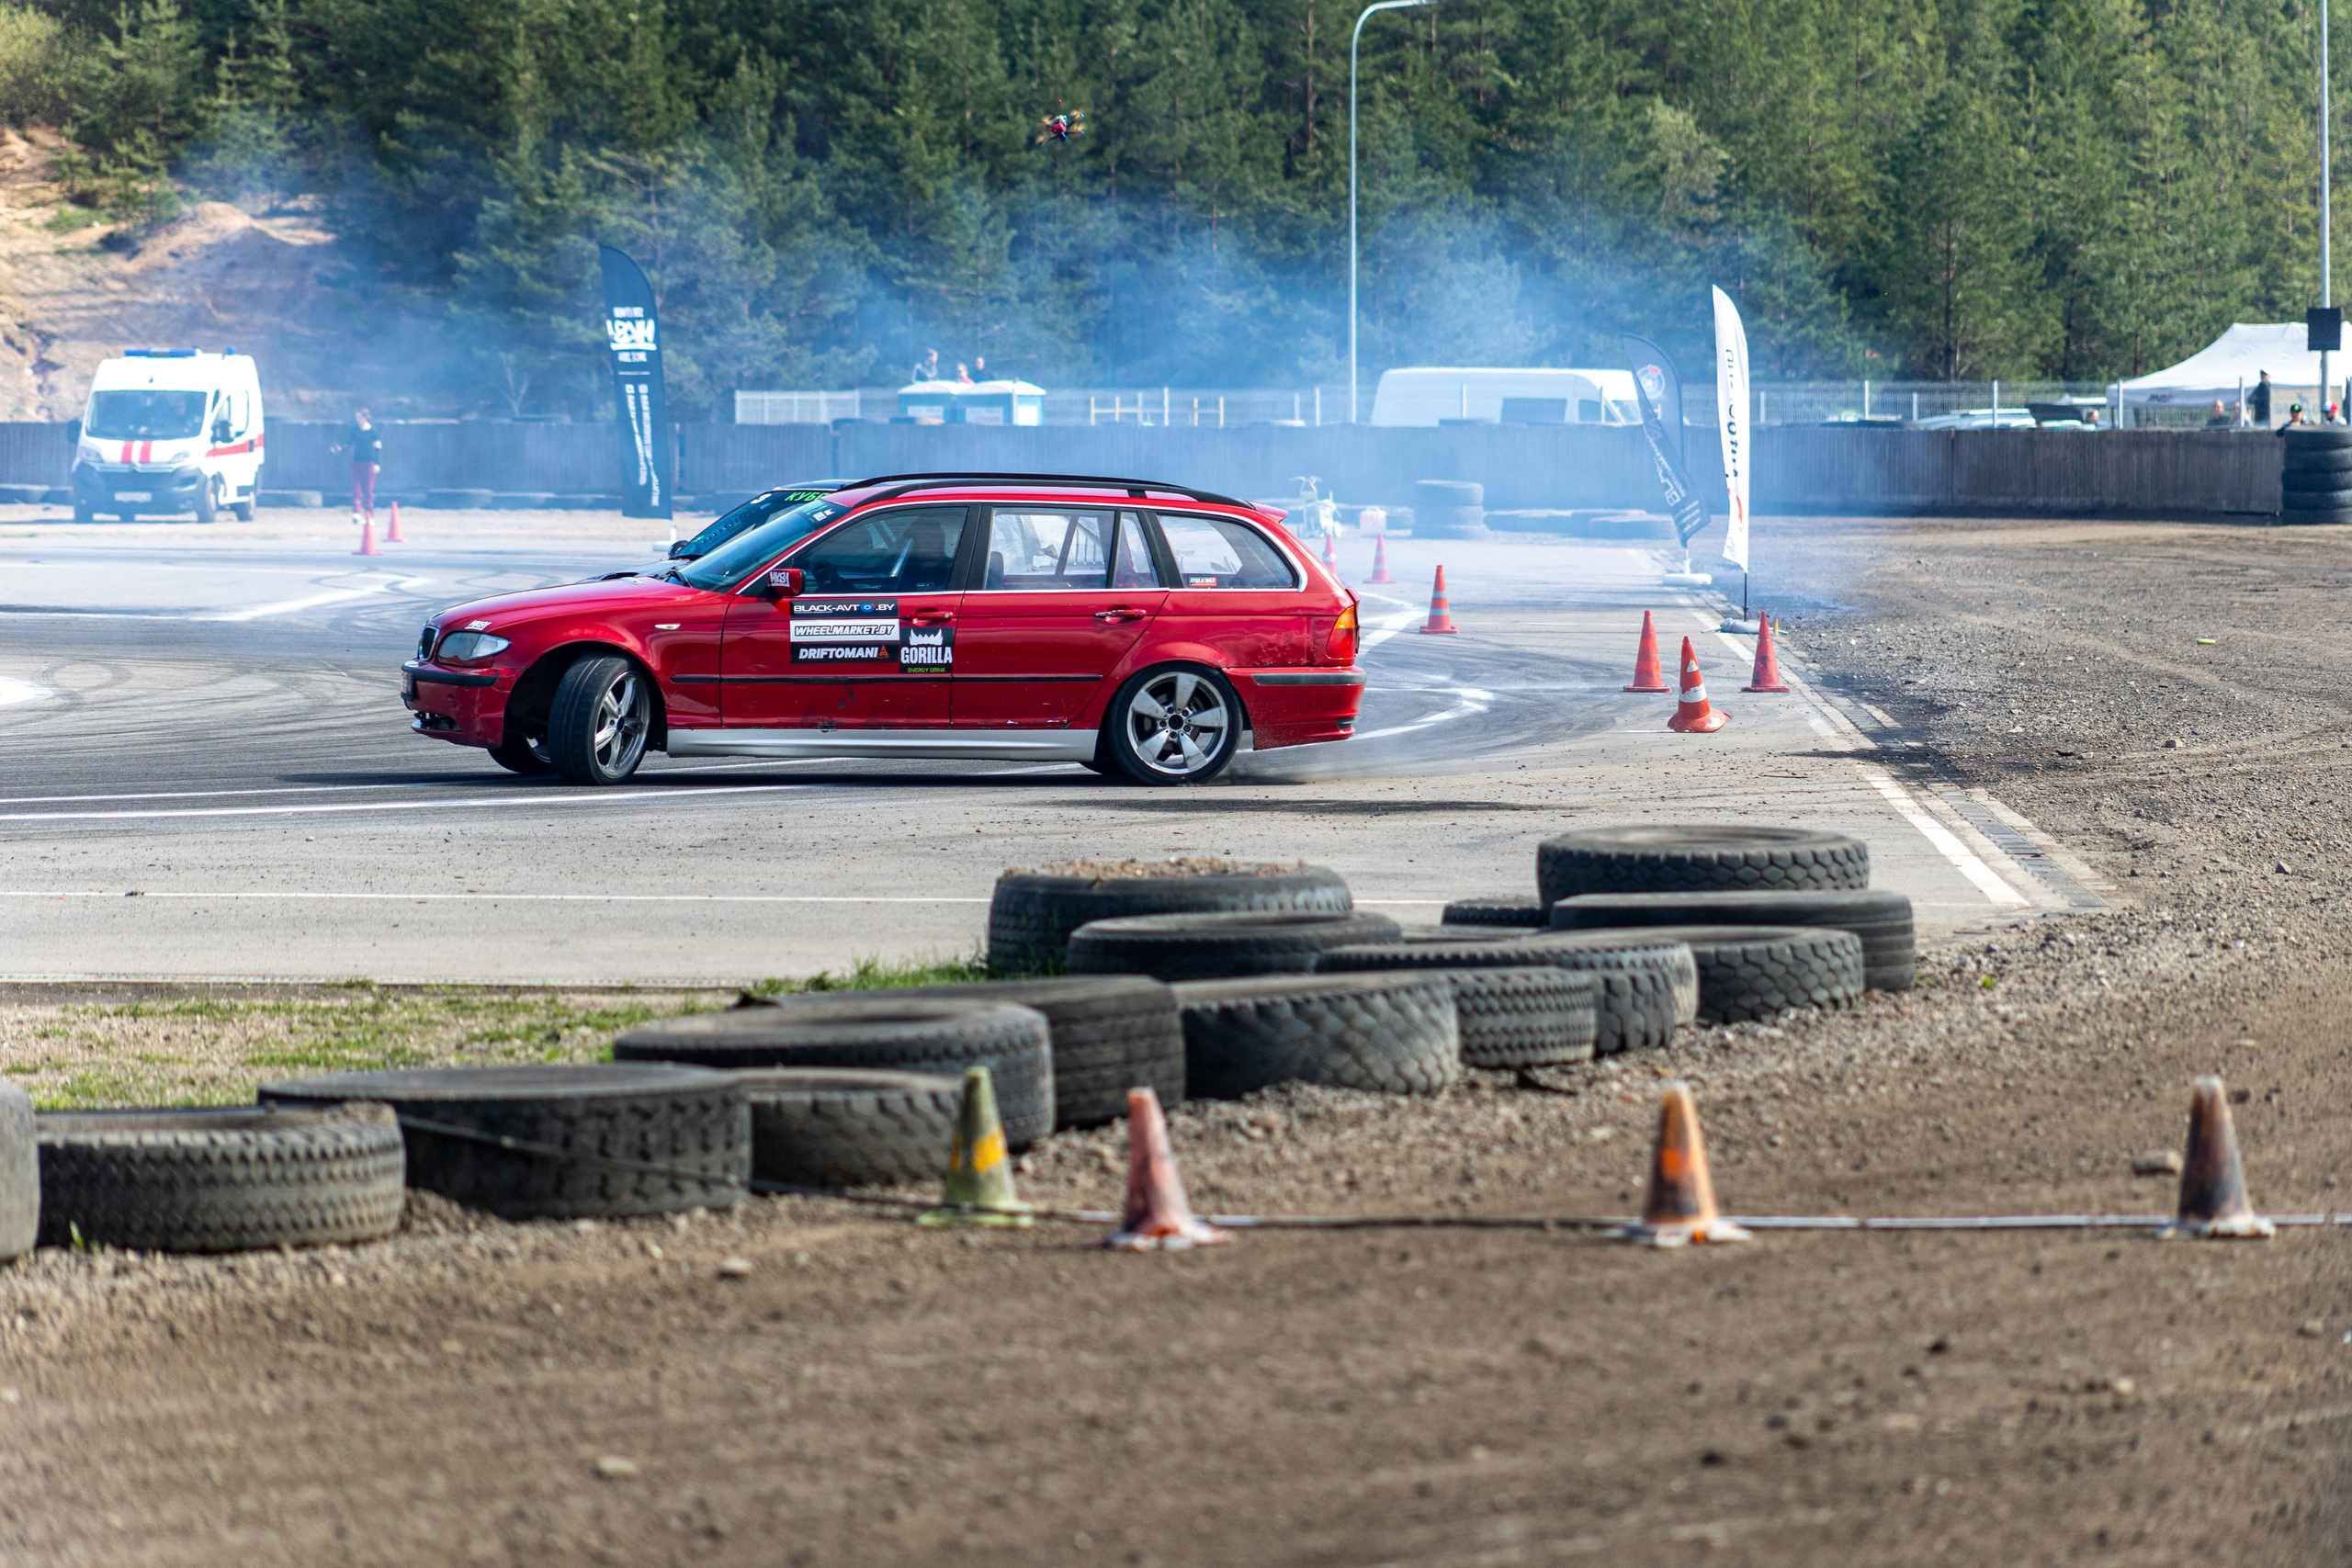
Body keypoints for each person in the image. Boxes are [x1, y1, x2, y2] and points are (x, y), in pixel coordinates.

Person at [330, 408, 381, 525]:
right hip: (356, 463)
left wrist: (377, 464)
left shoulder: (373, 431)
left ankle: (369, 515)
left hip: (369, 464)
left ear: (365, 417)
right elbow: (349, 444)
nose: (357, 419)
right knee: (356, 489)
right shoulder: (354, 431)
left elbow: (377, 448)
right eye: (356, 417)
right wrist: (340, 448)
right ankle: (356, 513)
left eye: (359, 417)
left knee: (368, 491)